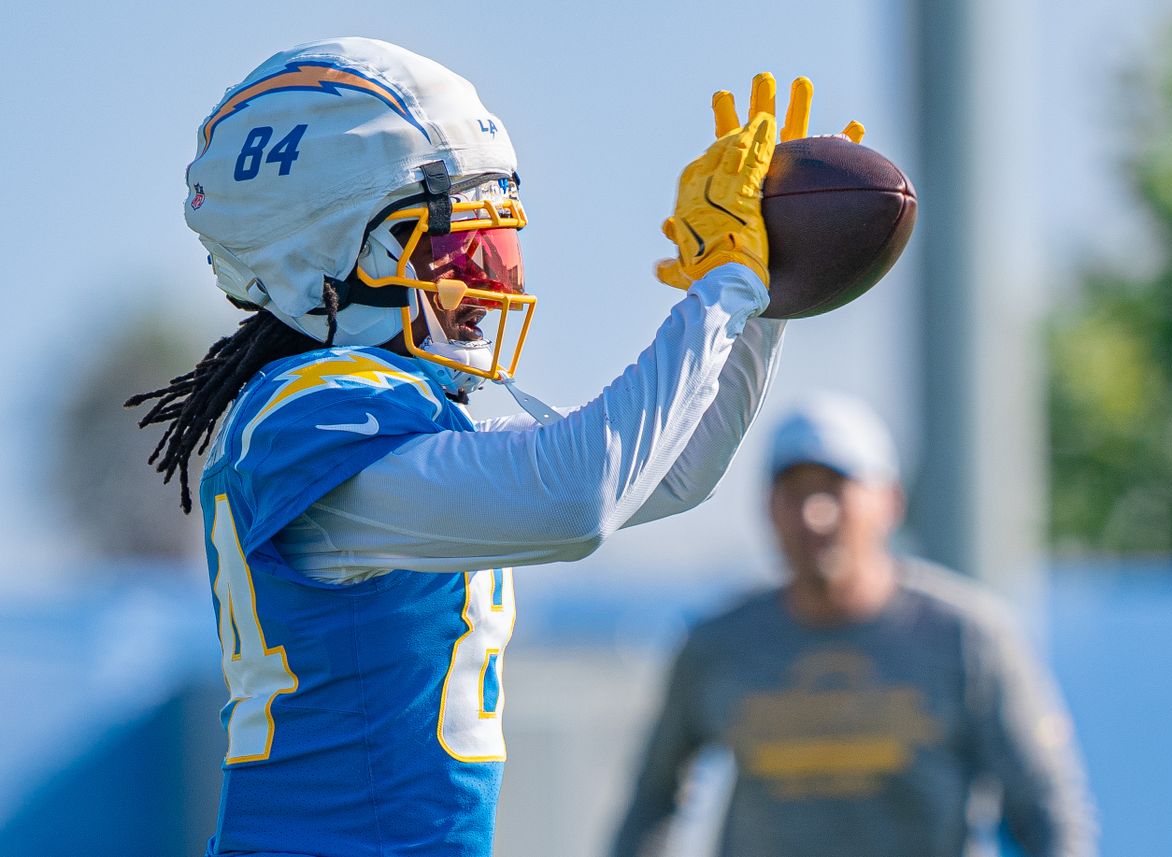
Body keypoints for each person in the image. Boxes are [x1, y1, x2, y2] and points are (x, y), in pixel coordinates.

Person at [125, 37, 863, 857]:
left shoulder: (404, 417)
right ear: (328, 256)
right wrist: (724, 290)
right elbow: (584, 496)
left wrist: (763, 299)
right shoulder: (316, 416)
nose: (494, 280)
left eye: (500, 242)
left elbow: (676, 471)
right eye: (456, 246)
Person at [611, 393, 1097, 857]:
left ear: (890, 501)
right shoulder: (718, 645)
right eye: (794, 492)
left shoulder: (966, 637)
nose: (814, 515)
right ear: (768, 508)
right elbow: (651, 804)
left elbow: (1048, 812)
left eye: (835, 489)